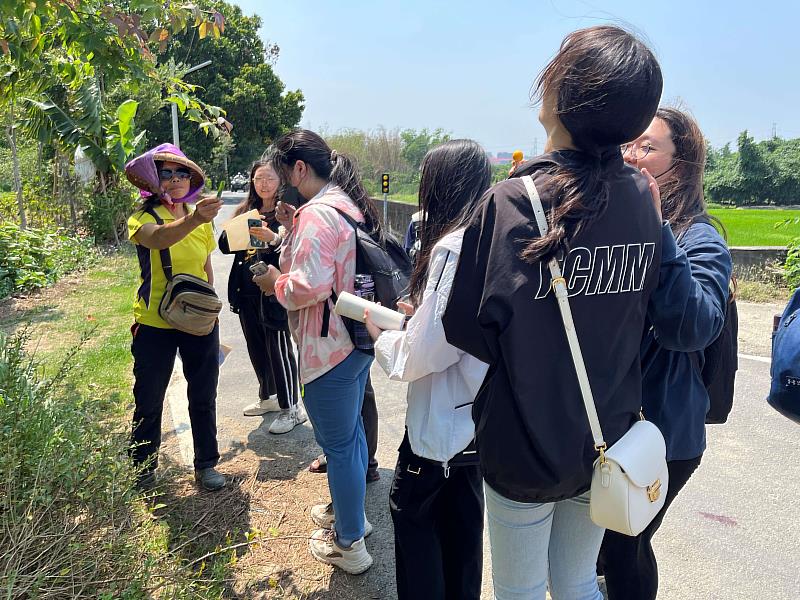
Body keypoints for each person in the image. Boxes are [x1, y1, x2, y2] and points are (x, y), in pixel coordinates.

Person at [442, 26, 664, 599]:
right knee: (576, 582)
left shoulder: (513, 203)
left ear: (564, 91)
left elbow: (466, 328)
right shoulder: (643, 197)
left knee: (517, 589)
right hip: (606, 438)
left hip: (525, 441)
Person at [597, 107, 733, 600]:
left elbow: (690, 327)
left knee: (623, 544)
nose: (631, 155)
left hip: (663, 432)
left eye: (648, 147)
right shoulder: (617, 223)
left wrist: (659, 230)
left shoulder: (702, 239)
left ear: (682, 165)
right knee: (606, 542)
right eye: (628, 144)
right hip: (615, 421)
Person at [364, 139, 491, 600]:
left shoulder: (453, 247)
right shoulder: (495, 236)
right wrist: (419, 317)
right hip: (480, 419)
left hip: (441, 425)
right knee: (463, 531)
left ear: (438, 188)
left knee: (416, 525)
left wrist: (388, 339)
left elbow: (427, 354)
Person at [252, 129, 379, 574]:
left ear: (300, 169)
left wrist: (273, 284)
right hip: (355, 338)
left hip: (328, 349)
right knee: (352, 438)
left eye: (286, 173)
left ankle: (350, 545)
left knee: (340, 446)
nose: (284, 182)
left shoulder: (317, 215)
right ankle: (352, 517)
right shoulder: (347, 205)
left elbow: (308, 285)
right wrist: (291, 226)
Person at [125, 143, 225, 491]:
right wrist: (194, 218)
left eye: (182, 172)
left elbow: (206, 268)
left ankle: (207, 464)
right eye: (165, 173)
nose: (175, 179)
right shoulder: (144, 218)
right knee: (149, 397)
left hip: (198, 321)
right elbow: (158, 240)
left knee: (203, 394)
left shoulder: (201, 220)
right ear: (153, 180)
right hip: (154, 323)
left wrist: (210, 312)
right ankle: (142, 468)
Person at [218, 158, 307, 434]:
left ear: (280, 180)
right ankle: (268, 397)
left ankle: (292, 408)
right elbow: (224, 246)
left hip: (274, 292)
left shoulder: (286, 213)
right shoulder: (247, 211)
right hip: (246, 292)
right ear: (252, 183)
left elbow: (294, 251)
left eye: (269, 178)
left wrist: (271, 236)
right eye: (258, 179)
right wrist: (240, 231)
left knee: (279, 349)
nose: (264, 184)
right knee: (257, 347)